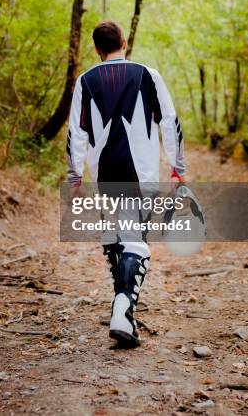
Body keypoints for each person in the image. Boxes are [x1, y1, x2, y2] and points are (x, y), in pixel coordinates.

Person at [67, 20, 186, 346]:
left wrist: (75, 176)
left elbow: (76, 133)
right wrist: (177, 169)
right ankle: (123, 307)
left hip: (104, 172)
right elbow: (170, 122)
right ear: (124, 41)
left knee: (116, 234)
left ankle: (123, 306)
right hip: (140, 171)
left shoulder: (85, 81)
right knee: (134, 238)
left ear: (96, 49)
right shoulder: (147, 74)